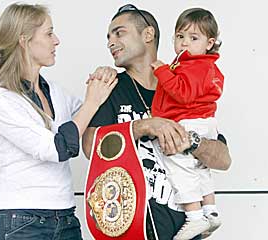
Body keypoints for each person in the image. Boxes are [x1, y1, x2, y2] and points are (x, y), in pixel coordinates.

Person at [82, 4, 231, 240]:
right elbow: (91, 147)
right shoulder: (110, 87)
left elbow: (223, 159)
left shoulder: (185, 84)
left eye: (119, 33)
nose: (110, 42)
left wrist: (189, 141)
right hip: (131, 232)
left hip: (186, 231)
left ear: (148, 34)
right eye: (108, 37)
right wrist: (145, 126)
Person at [0, 3, 117, 240]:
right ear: (24, 40)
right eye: (49, 33)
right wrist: (92, 101)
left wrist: (105, 77)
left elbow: (93, 117)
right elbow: (58, 148)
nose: (57, 40)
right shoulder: (1, 99)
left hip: (66, 218)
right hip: (22, 224)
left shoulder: (53, 91)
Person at [150, 8, 224, 240]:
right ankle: (210, 210)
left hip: (189, 122)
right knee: (200, 168)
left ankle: (194, 218)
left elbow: (182, 93)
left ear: (209, 43)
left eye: (194, 38)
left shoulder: (194, 65)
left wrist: (162, 71)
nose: (184, 44)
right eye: (180, 37)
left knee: (178, 165)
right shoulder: (207, 66)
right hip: (203, 121)